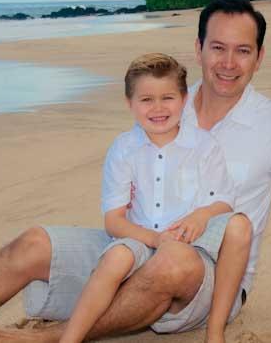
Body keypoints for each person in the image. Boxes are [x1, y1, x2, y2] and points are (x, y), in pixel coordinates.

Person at [0, 0, 271, 343]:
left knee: (172, 262)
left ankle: (49, 338)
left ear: (259, 58)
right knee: (34, 243)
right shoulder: (165, 100)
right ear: (198, 48)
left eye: (243, 50)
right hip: (140, 242)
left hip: (212, 278)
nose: (228, 62)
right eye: (218, 47)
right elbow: (129, 189)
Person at [60, 53, 243, 343]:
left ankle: (215, 332)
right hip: (142, 238)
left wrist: (200, 216)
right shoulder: (123, 149)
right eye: (146, 100)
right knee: (117, 256)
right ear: (129, 104)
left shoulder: (204, 145)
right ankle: (70, 338)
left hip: (190, 244)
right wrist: (155, 240)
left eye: (167, 97)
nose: (158, 108)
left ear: (184, 99)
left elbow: (224, 200)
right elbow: (113, 221)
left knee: (240, 225)